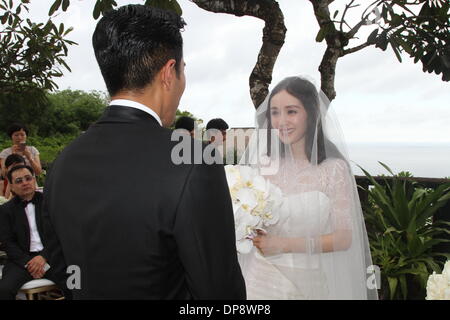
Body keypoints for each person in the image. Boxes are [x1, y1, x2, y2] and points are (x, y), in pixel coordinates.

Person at [42, 4, 245, 299]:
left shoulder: (62, 162)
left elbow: (62, 266)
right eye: (183, 70)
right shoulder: (195, 160)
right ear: (169, 72)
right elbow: (218, 291)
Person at [237, 76, 378, 300]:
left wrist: (282, 245)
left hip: (307, 283)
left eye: (291, 111)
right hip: (258, 281)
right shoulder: (263, 165)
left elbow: (343, 238)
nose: (281, 121)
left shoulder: (334, 170)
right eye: (274, 112)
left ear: (311, 114)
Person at [0, 165, 71, 300]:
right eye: (19, 181)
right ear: (12, 186)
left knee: (76, 281)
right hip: (21, 261)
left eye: (28, 178)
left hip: (51, 256)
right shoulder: (5, 210)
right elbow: (8, 243)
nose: (25, 183)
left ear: (34, 180)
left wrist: (43, 257)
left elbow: (59, 233)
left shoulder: (50, 203)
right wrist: (29, 263)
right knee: (4, 290)